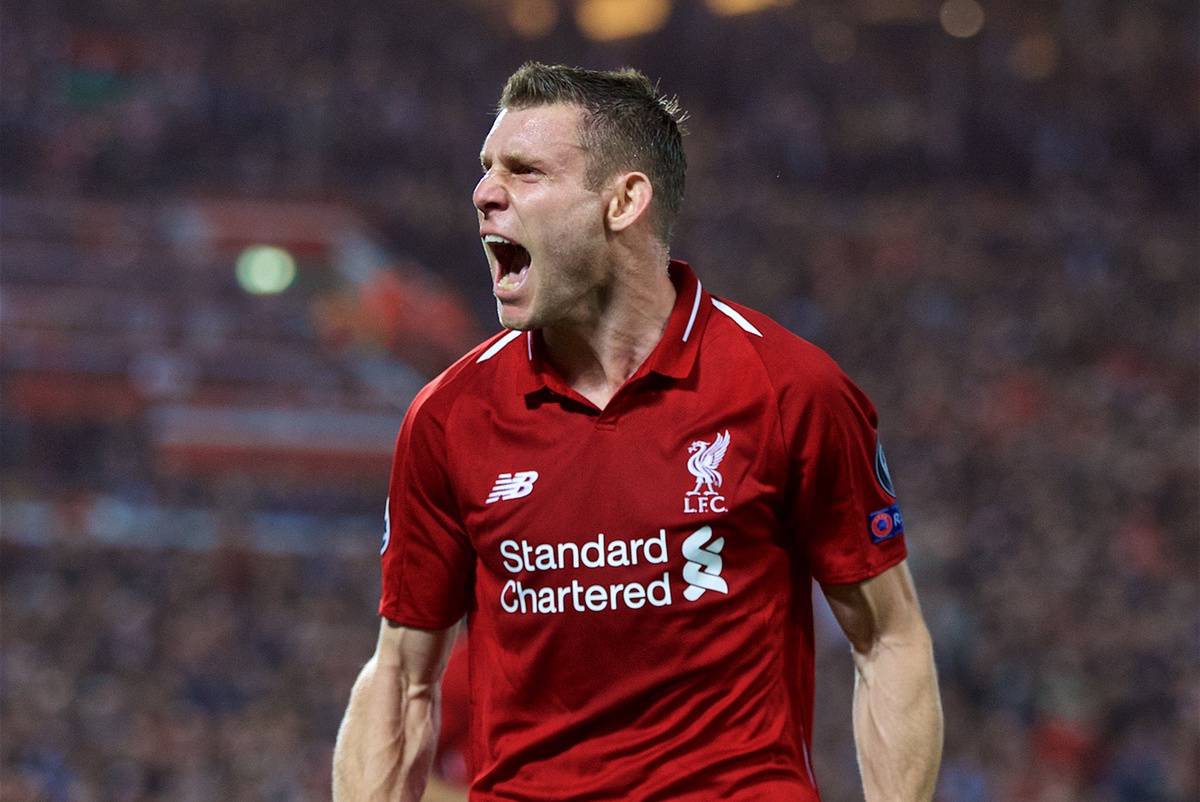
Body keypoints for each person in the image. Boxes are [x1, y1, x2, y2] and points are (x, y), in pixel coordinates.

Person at [333, 62, 943, 802]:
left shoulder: (789, 389)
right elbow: (400, 677)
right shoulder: (448, 416)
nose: (485, 194)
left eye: (524, 172)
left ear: (623, 201)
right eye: (488, 170)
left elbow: (888, 638)